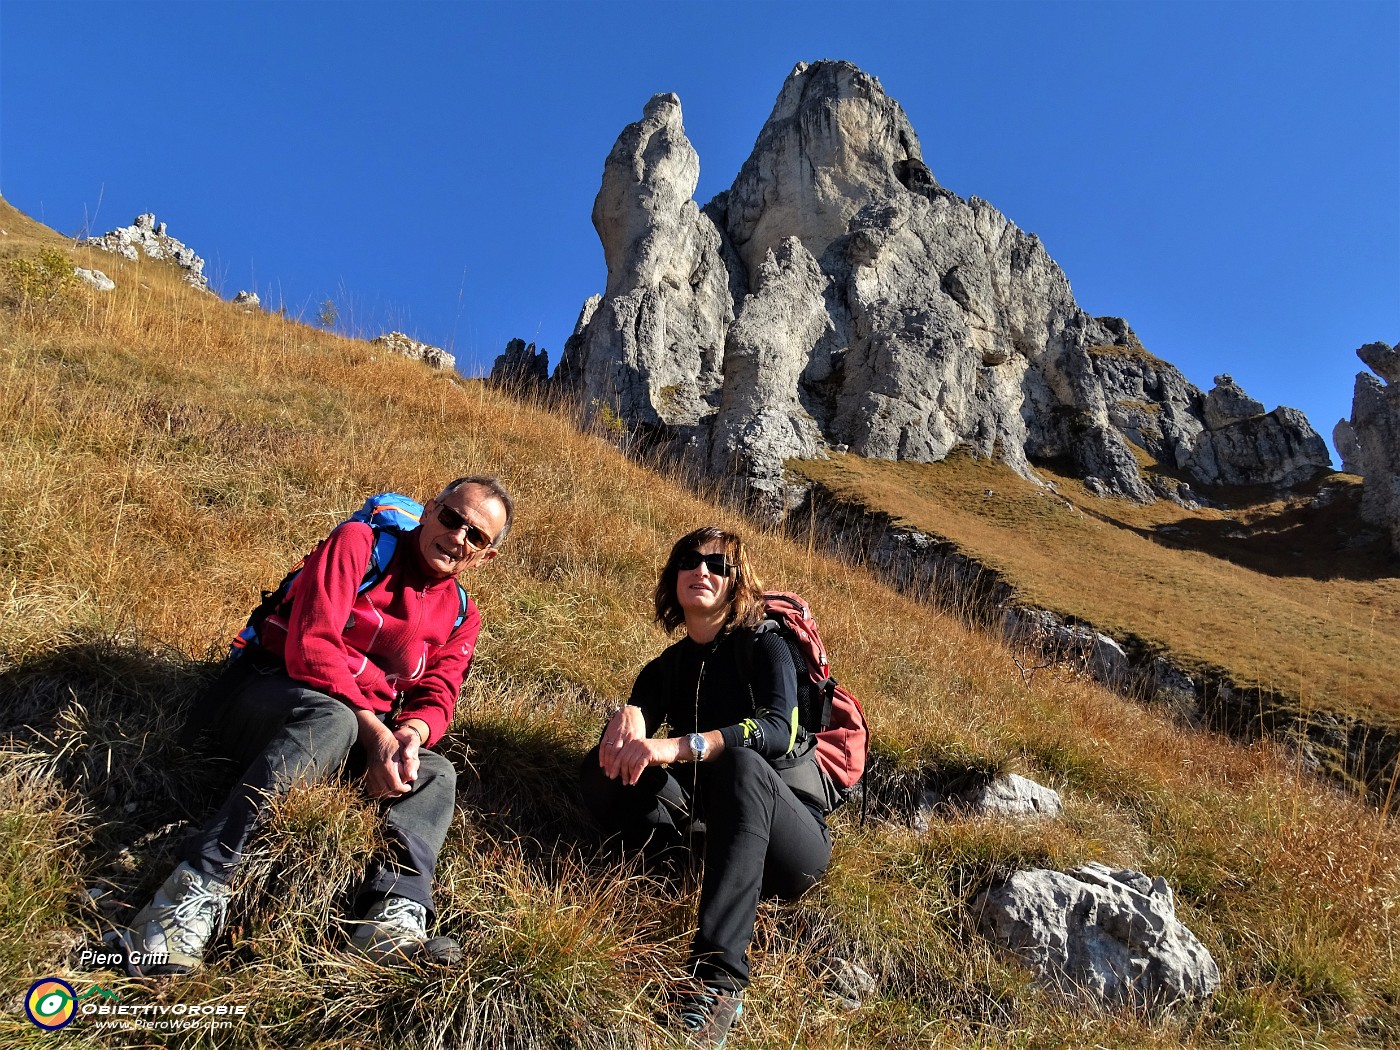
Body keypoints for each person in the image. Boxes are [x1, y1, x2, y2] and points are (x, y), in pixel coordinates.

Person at [121, 476, 514, 975]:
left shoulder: (462, 614)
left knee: (436, 774)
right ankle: (186, 897)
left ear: (485, 557)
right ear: (430, 509)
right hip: (270, 694)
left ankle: (392, 921)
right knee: (331, 720)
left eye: (475, 536)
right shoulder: (361, 544)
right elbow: (311, 644)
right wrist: (374, 731)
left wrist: (409, 738)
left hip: (351, 731)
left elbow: (438, 693)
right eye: (452, 517)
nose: (458, 537)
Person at [580, 526, 834, 1048]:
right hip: (712, 824)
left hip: (793, 841)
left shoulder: (766, 646)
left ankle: (716, 987)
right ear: (673, 576)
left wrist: (678, 747)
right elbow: (637, 730)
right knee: (603, 767)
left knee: (741, 764)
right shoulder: (667, 668)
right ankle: (660, 865)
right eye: (691, 561)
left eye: (719, 566)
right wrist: (626, 716)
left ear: (737, 582)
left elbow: (777, 731)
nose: (703, 571)